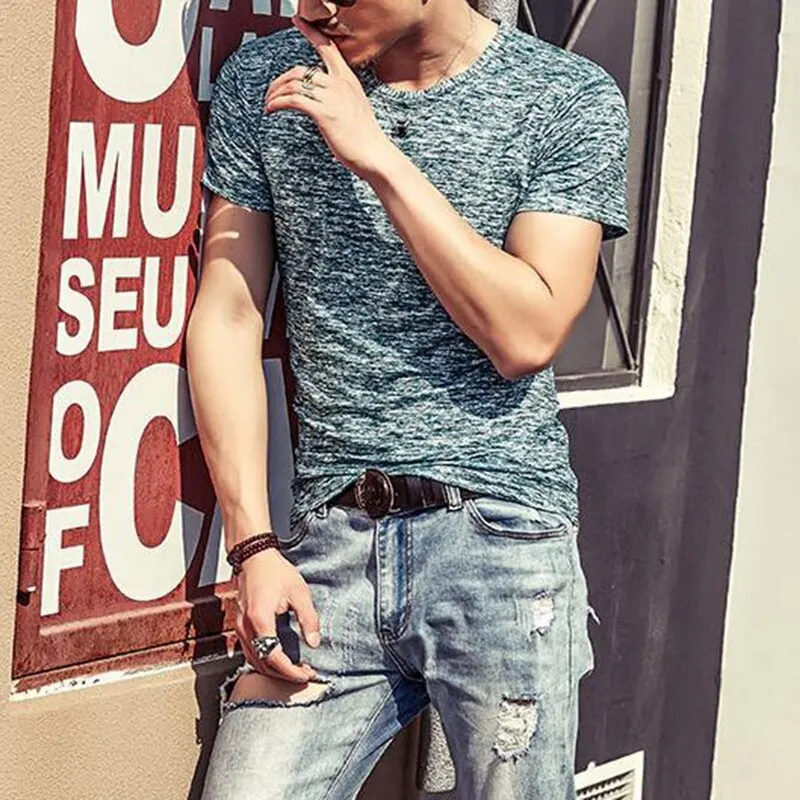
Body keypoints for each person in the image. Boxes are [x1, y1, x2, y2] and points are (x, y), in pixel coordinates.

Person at [188, 0, 629, 797]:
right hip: (328, 552)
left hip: (500, 546)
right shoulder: (268, 80)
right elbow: (228, 315)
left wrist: (377, 157)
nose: (315, 8)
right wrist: (252, 546)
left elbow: (525, 334)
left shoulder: (564, 97)